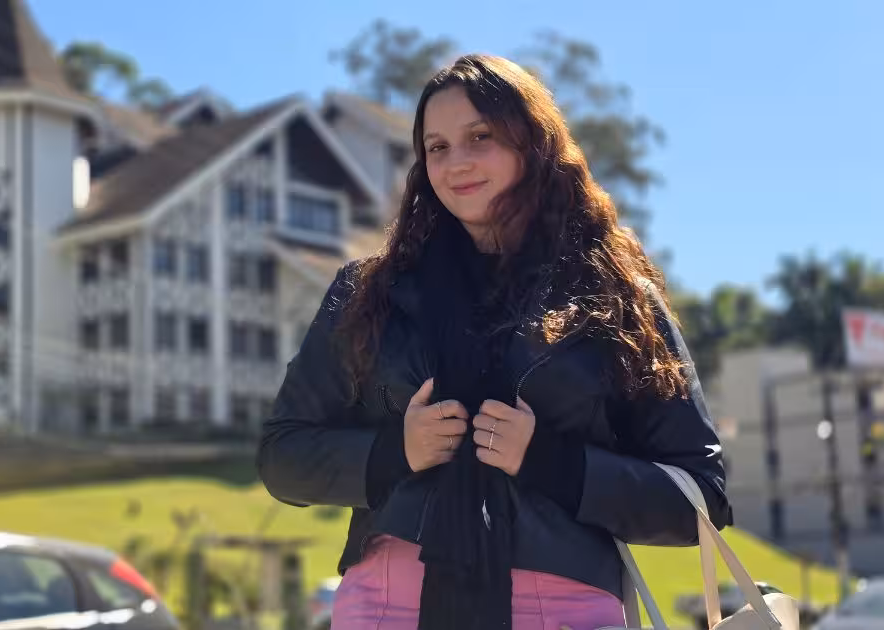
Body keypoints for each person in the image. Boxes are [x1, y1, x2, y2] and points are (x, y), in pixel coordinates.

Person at [256, 54, 732, 630]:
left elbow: (700, 497)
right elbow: (283, 455)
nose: (456, 162)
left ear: (533, 142)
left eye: (480, 136)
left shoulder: (616, 297)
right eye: (437, 147)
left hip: (562, 610)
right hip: (387, 606)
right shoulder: (368, 294)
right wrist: (393, 453)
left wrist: (554, 464)